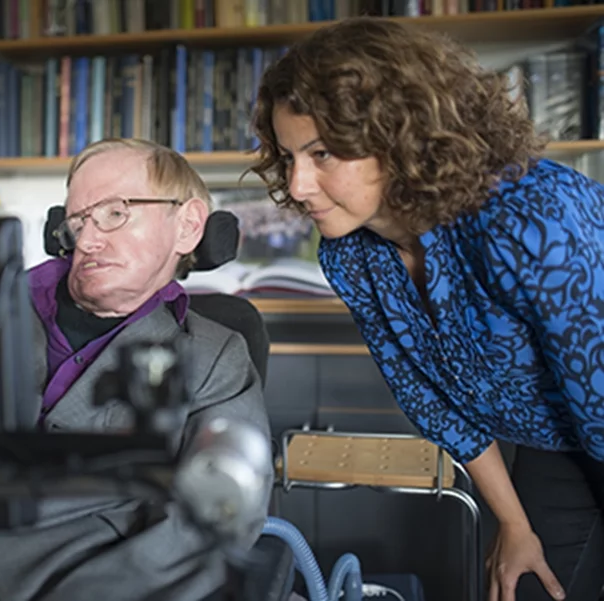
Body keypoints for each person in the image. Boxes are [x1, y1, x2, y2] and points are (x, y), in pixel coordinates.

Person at [0, 138, 272, 601]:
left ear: (187, 225)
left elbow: (220, 516)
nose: (89, 241)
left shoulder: (216, 354)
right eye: (78, 221)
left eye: (116, 212)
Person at [249, 17, 604, 601]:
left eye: (322, 153)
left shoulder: (532, 218)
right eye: (288, 157)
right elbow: (431, 400)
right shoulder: (351, 255)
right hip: (554, 440)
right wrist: (514, 525)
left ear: (402, 135)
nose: (299, 184)